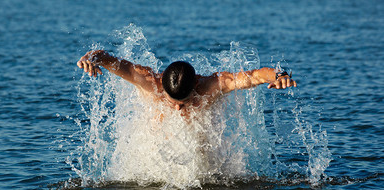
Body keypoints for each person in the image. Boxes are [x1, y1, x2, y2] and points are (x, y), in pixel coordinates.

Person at [77, 50, 296, 113]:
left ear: (196, 86)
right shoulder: (148, 82)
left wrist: (279, 75)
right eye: (173, 101)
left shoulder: (211, 86)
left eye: (185, 101)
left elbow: (254, 76)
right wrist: (90, 59)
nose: (178, 108)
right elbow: (109, 59)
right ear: (161, 85)